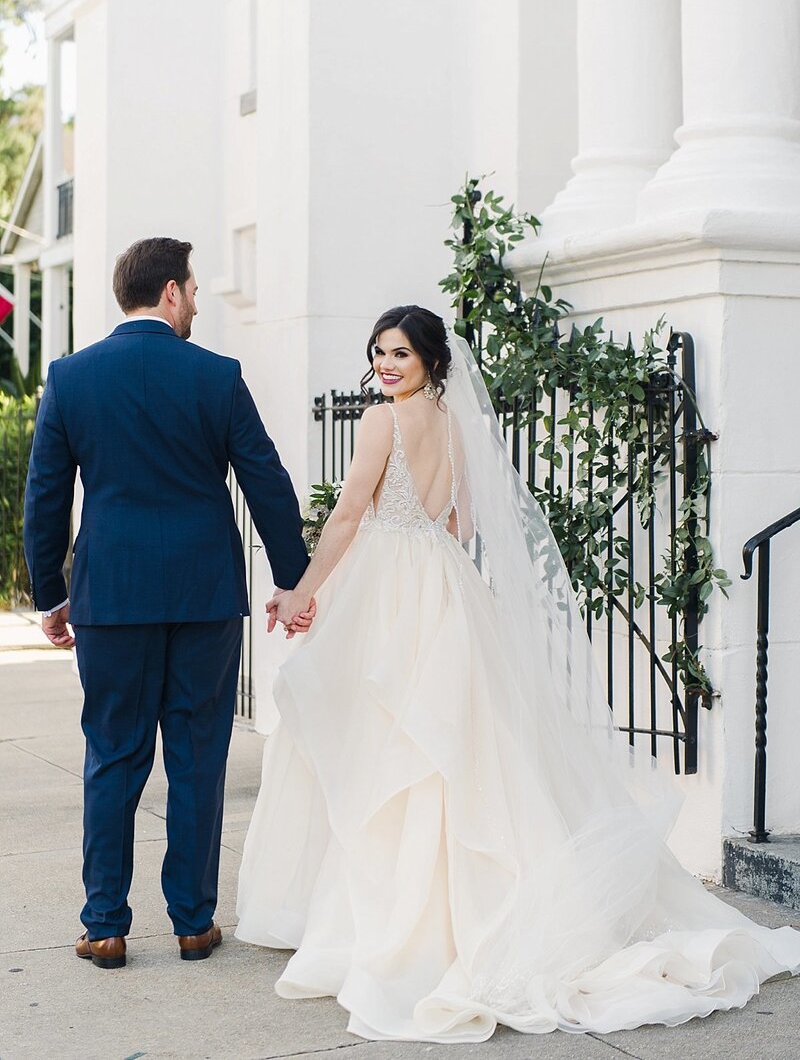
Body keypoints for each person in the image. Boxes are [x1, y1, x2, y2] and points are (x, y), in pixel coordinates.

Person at [237, 304, 800, 1042]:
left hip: (390, 583)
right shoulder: (458, 420)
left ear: (432, 359)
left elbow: (345, 519)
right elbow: (464, 526)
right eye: (378, 352)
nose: (385, 365)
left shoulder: (383, 421)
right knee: (451, 742)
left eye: (400, 353)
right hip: (442, 584)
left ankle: (398, 925)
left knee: (390, 739)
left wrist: (302, 590)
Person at [23, 237, 311, 970]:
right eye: (193, 290)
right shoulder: (215, 375)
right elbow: (266, 480)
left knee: (112, 756)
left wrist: (51, 595)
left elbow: (46, 499)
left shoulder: (71, 376)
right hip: (203, 592)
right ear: (174, 293)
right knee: (196, 754)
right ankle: (192, 920)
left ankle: (105, 924)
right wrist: (292, 577)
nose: (194, 306)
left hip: (110, 594)